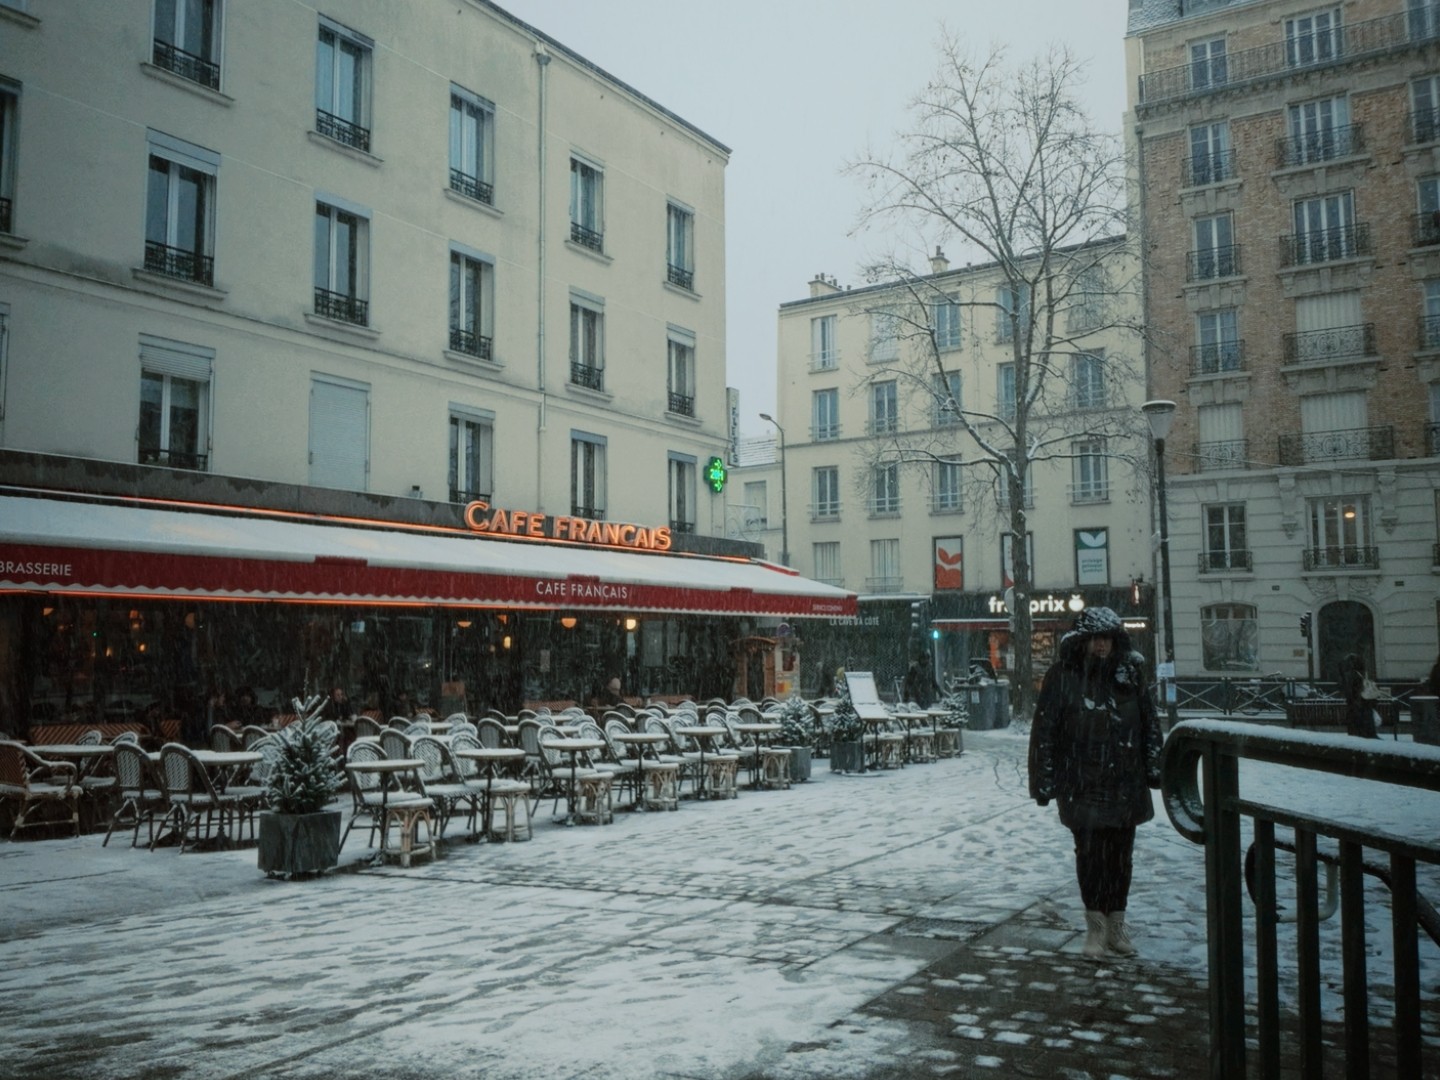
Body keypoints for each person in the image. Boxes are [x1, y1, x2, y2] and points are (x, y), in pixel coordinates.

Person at [1028, 606, 1164, 959]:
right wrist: (1044, 781)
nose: (1101, 645)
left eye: (1107, 638)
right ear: (1083, 641)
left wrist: (1155, 768)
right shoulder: (1063, 675)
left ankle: (1116, 928)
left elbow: (1150, 723)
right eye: (1095, 639)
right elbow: (1045, 730)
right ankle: (1096, 930)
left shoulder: (1130, 673)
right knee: (1090, 858)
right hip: (1081, 782)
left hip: (1125, 782)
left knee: (1121, 859)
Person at [1340, 653, 1380, 739]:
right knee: (1365, 726)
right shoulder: (1362, 674)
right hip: (1364, 705)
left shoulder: (1350, 675)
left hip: (1356, 707)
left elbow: (1350, 692)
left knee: (1356, 730)